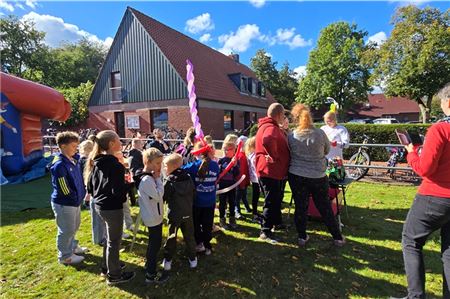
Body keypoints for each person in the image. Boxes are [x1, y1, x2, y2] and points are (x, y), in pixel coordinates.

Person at [401, 83, 450, 299]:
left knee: (411, 241)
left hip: (435, 195)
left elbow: (425, 169)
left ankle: (415, 296)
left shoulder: (440, 129)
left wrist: (411, 153)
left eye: (441, 101)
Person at [287, 104, 345, 247]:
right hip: (317, 175)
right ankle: (337, 237)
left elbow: (290, 152)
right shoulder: (320, 133)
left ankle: (302, 237)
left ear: (296, 118)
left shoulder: (292, 135)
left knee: (300, 206)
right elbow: (326, 150)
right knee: (324, 206)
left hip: (297, 174)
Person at [86, 130, 135, 285]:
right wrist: (130, 185)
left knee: (109, 238)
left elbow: (90, 187)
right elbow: (118, 193)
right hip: (111, 207)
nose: (121, 143)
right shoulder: (115, 165)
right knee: (114, 241)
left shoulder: (96, 161)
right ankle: (114, 275)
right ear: (112, 144)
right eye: (119, 140)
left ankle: (107, 265)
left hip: (100, 205)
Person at [49, 131, 88, 265]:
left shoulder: (73, 160)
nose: (76, 149)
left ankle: (72, 247)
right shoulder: (59, 165)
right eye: (73, 146)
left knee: (74, 226)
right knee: (66, 229)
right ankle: (65, 256)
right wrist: (73, 197)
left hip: (74, 201)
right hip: (65, 203)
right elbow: (63, 187)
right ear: (63, 146)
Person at [255, 103, 290, 242]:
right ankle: (265, 231)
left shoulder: (267, 126)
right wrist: (274, 156)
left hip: (271, 171)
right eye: (284, 115)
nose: (284, 117)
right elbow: (268, 139)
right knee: (271, 200)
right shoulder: (270, 127)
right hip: (270, 171)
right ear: (279, 115)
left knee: (275, 199)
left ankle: (276, 222)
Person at [133, 148, 168, 283]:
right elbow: (159, 195)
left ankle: (149, 265)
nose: (160, 166)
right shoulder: (147, 179)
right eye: (158, 163)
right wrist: (159, 180)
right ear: (148, 162)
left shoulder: (148, 177)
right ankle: (150, 274)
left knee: (154, 243)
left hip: (154, 215)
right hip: (153, 217)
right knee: (155, 244)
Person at [161, 153, 197, 271]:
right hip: (188, 213)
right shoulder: (188, 177)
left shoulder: (169, 181)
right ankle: (193, 259)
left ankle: (168, 260)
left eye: (166, 166)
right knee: (189, 236)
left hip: (174, 215)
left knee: (171, 237)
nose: (165, 168)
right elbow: (193, 193)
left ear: (174, 166)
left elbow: (163, 197)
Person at [183, 142, 219, 255]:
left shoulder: (194, 166)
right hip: (210, 202)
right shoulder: (215, 165)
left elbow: (181, 169)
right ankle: (207, 245)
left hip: (197, 202)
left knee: (196, 224)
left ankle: (199, 244)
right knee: (208, 224)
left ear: (197, 153)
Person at [217, 141, 240, 229]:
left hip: (232, 185)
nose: (226, 151)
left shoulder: (236, 161)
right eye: (225, 149)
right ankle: (222, 220)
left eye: (228, 150)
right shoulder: (221, 161)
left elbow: (237, 174)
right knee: (222, 203)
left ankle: (232, 219)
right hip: (223, 186)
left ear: (234, 150)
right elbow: (218, 173)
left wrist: (235, 166)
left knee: (232, 202)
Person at [235, 135, 251, 219]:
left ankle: (247, 207)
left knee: (244, 195)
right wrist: (241, 182)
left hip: (243, 180)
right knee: (237, 197)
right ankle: (237, 211)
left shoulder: (244, 155)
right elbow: (240, 171)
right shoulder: (240, 156)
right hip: (240, 181)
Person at [246, 136, 261, 222]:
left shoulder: (250, 155)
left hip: (254, 179)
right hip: (258, 179)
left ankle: (255, 212)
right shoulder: (255, 155)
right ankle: (255, 213)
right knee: (256, 196)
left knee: (255, 196)